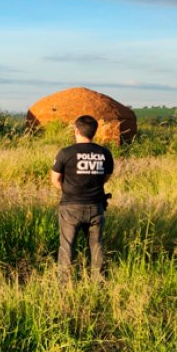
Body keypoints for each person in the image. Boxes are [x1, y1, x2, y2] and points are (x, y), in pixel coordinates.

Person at [51, 114, 114, 282]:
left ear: (76, 130)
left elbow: (55, 179)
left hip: (71, 206)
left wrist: (70, 191)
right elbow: (106, 177)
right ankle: (98, 281)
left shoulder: (66, 153)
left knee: (67, 245)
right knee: (96, 245)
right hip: (96, 205)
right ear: (94, 131)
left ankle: (64, 284)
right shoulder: (104, 153)